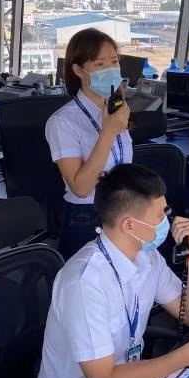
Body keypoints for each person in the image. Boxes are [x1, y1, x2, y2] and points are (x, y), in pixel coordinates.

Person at [34, 164, 189, 378]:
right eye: (160, 215)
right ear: (129, 225)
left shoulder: (147, 257)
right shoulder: (84, 283)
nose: (168, 221)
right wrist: (188, 354)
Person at [46, 28, 132, 260]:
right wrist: (108, 133)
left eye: (114, 61)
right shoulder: (62, 122)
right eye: (100, 64)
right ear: (78, 70)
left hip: (123, 209)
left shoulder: (116, 109)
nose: (111, 70)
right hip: (88, 216)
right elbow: (81, 188)